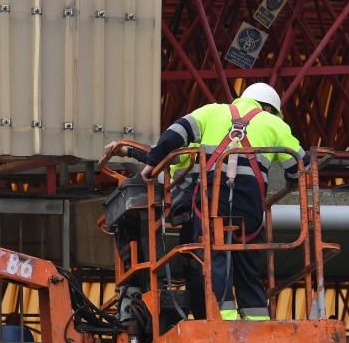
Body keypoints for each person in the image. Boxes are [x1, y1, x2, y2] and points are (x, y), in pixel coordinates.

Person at [106, 83, 310, 321]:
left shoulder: (212, 112)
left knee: (214, 258)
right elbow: (300, 165)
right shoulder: (274, 123)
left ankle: (222, 319)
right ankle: (259, 320)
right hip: (250, 208)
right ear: (269, 108)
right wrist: (292, 181)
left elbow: (175, 139)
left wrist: (149, 159)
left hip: (212, 203)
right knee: (248, 256)